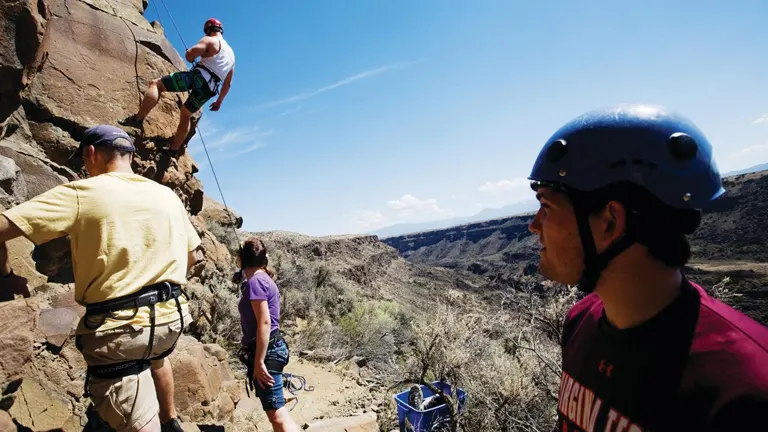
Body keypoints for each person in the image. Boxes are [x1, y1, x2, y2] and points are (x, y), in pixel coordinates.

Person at [525, 104, 768, 431]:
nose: (533, 225)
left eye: (546, 206)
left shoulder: (743, 388)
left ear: (610, 222)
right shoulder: (581, 322)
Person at [0, 125, 203, 432]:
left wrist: (7, 275)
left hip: (119, 330)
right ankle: (170, 419)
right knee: (156, 357)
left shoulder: (83, 192)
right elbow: (193, 257)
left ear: (91, 153)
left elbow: (3, 226)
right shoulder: (167, 196)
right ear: (131, 157)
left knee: (132, 396)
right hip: (171, 321)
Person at [120, 18, 236, 159]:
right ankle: (173, 149)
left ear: (208, 29)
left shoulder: (210, 40)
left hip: (197, 78)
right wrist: (219, 102)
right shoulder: (231, 56)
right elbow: (228, 83)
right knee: (186, 113)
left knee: (157, 84)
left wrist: (190, 54)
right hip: (209, 90)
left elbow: (190, 55)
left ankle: (137, 120)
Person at [235, 237, 300, 432]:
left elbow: (265, 321)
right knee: (276, 411)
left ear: (240, 259)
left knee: (277, 415)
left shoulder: (255, 281)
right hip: (273, 348)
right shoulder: (262, 278)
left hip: (268, 352)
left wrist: (259, 361)